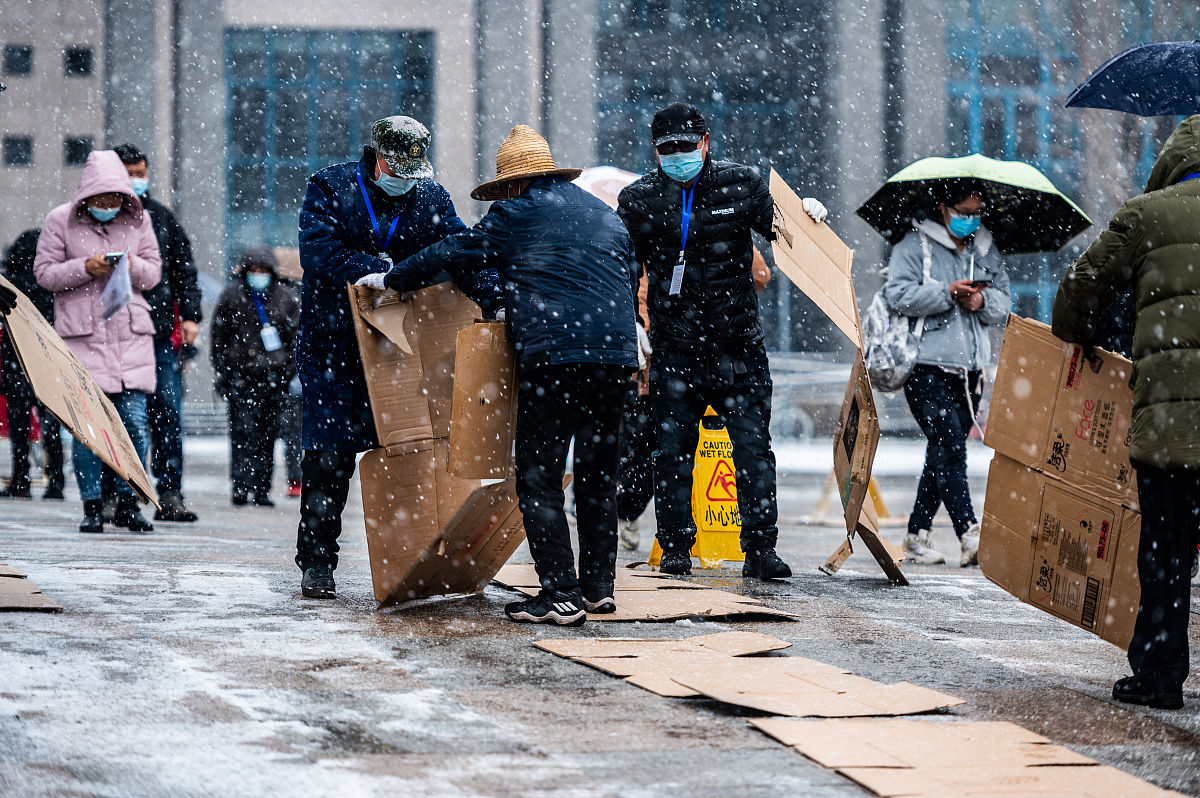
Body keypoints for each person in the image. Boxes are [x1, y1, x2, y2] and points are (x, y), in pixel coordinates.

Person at [361, 125, 638, 625]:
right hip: (616, 360)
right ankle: (598, 589)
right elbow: (624, 273)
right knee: (599, 478)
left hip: (556, 357)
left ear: (512, 184)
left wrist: (393, 278)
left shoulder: (516, 213)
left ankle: (559, 595)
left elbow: (456, 253)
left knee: (538, 476)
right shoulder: (601, 213)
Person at [616, 102, 826, 580]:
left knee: (752, 449)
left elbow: (784, 232)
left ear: (705, 143)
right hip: (675, 349)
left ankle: (761, 549)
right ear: (655, 150)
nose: (677, 156)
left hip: (739, 347)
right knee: (671, 455)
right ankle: (674, 547)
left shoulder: (742, 183)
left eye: (686, 147)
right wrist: (633, 323)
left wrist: (807, 218)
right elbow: (624, 267)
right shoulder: (639, 199)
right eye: (666, 149)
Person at [295, 115, 502, 599]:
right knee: (328, 457)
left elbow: (458, 252)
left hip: (401, 349)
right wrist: (377, 270)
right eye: (398, 167)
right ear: (378, 157)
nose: (404, 178)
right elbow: (318, 252)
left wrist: (492, 298)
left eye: (414, 169)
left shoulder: (429, 197)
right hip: (335, 346)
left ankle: (417, 554)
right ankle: (318, 562)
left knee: (412, 451)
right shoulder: (330, 186)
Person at [1052, 114, 1200, 711]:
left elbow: (1076, 298)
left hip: (1169, 424)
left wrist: (1099, 333)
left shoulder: (1147, 214)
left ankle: (1160, 677)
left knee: (1165, 549)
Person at [882, 179, 1011, 567]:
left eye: (976, 213)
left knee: (942, 449)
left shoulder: (986, 249)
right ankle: (969, 533)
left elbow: (1004, 303)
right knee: (951, 445)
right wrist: (945, 293)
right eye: (963, 213)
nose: (970, 221)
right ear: (943, 208)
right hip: (925, 366)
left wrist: (981, 299)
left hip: (970, 369)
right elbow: (897, 294)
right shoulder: (914, 245)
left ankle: (916, 535)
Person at [33, 149, 161, 533]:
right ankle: (92, 504)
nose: (108, 206)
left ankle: (129, 503)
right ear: (87, 196)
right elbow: (44, 274)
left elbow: (153, 273)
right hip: (82, 341)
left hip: (130, 341)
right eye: (101, 199)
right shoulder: (59, 220)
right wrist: (86, 267)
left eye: (115, 199)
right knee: (89, 432)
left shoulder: (142, 221)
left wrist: (130, 264)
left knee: (134, 427)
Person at [113, 144, 204, 523]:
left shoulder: (162, 218)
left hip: (159, 334)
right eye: (128, 173)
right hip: (115, 335)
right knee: (120, 417)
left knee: (167, 413)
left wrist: (192, 316)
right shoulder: (101, 217)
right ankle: (118, 494)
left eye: (140, 172)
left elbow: (185, 270)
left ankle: (169, 492)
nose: (136, 180)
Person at [211, 247, 300, 507]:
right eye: (253, 271)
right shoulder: (231, 296)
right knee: (241, 433)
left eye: (263, 271)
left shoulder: (287, 298)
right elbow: (219, 337)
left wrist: (285, 372)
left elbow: (295, 341)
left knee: (267, 435)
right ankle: (240, 486)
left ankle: (262, 488)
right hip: (240, 377)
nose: (258, 275)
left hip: (274, 379)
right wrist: (225, 370)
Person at [1, 228, 65, 500]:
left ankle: (21, 479)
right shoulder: (53, 284)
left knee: (19, 424)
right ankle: (56, 482)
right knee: (52, 424)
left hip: (17, 357)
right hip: (47, 359)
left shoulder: (10, 284)